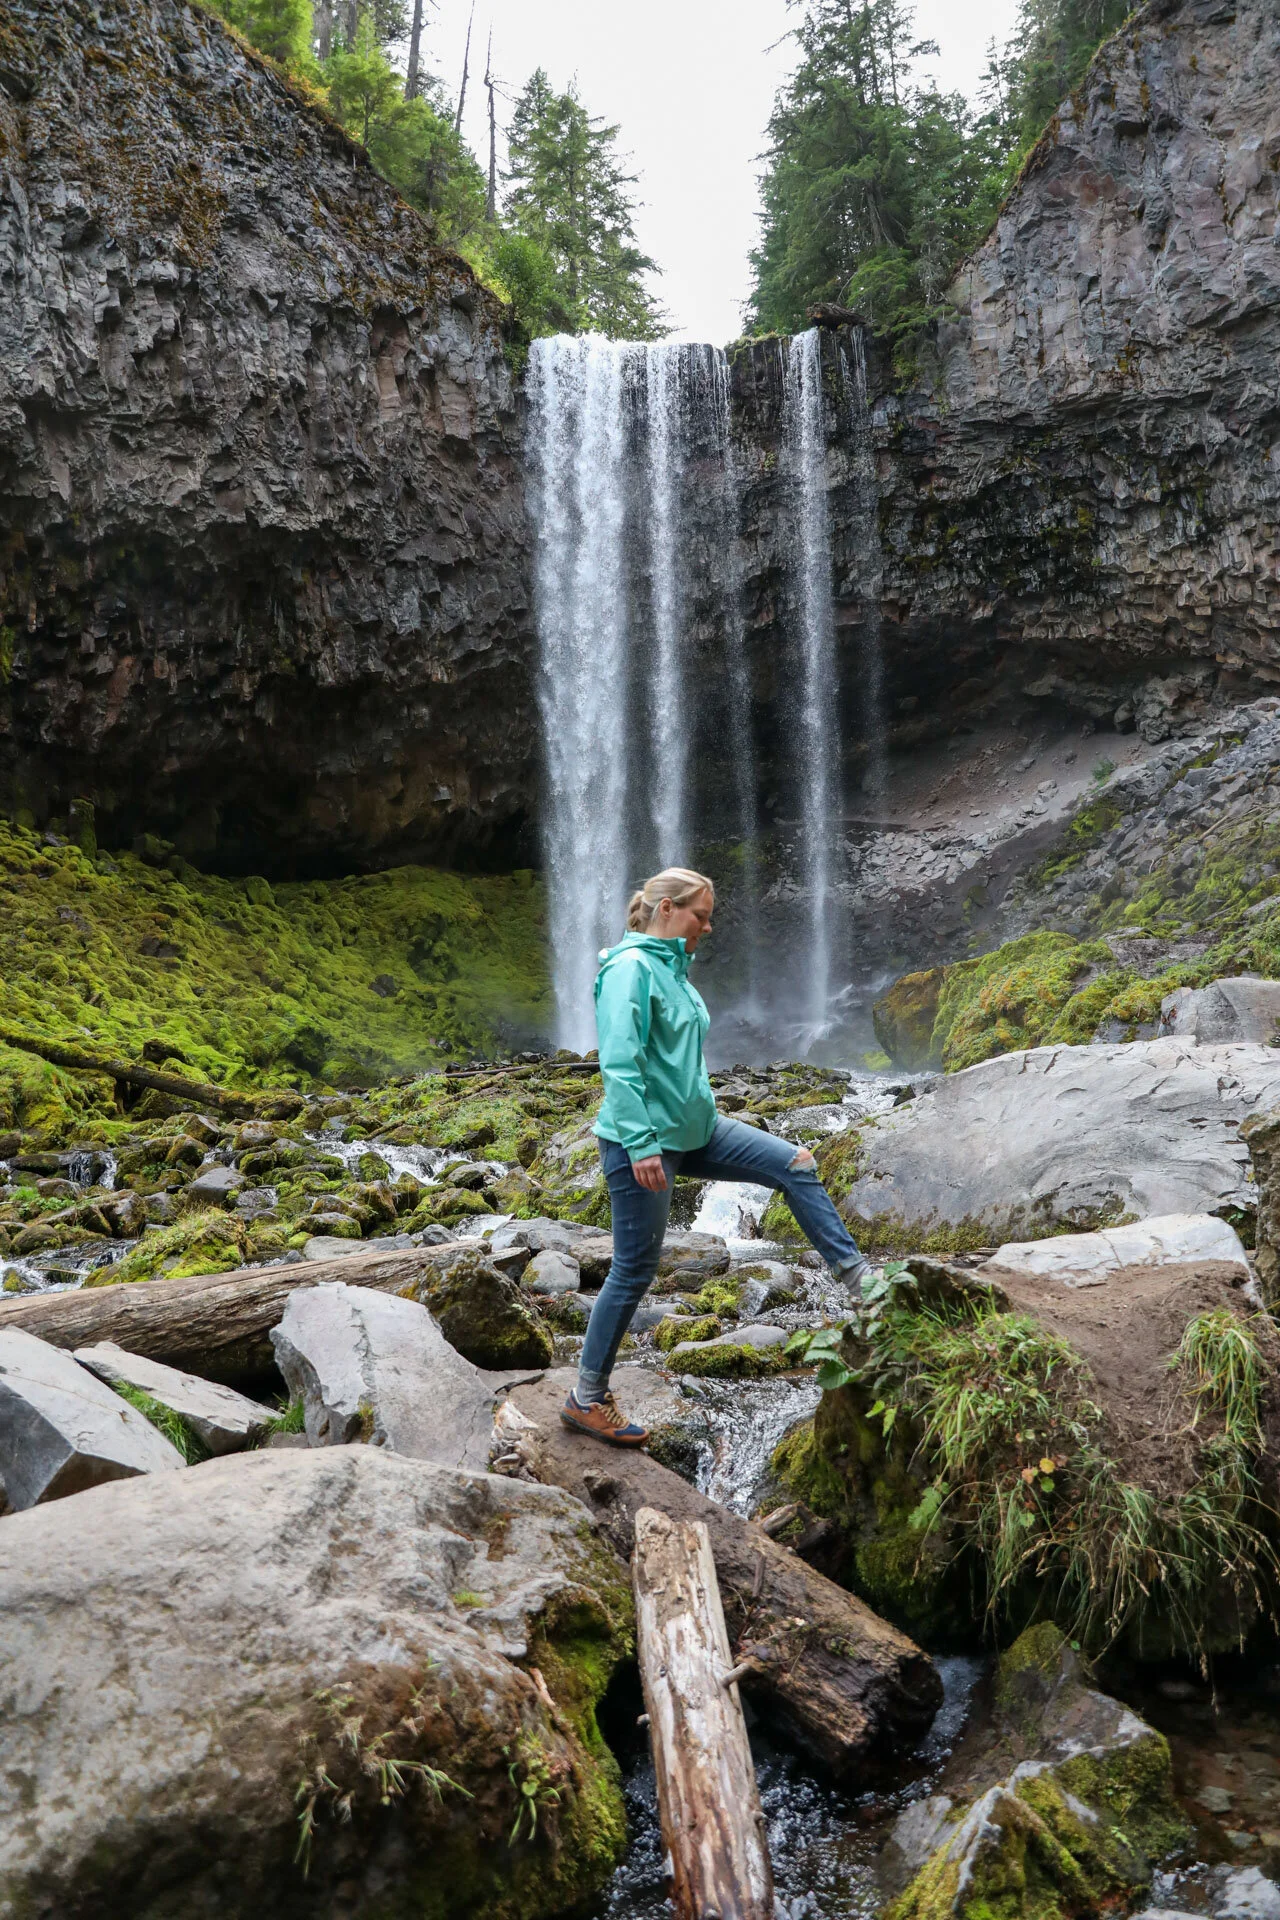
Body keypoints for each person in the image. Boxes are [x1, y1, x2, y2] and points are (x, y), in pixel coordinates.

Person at [561, 865, 874, 1448]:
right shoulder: (630, 970)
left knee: (796, 1164)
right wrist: (640, 1143)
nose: (707, 927)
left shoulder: (673, 970)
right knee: (633, 1270)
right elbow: (620, 1065)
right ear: (667, 909)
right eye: (700, 916)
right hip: (644, 1141)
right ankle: (586, 1397)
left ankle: (864, 1285)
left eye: (709, 917)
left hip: (697, 1131)